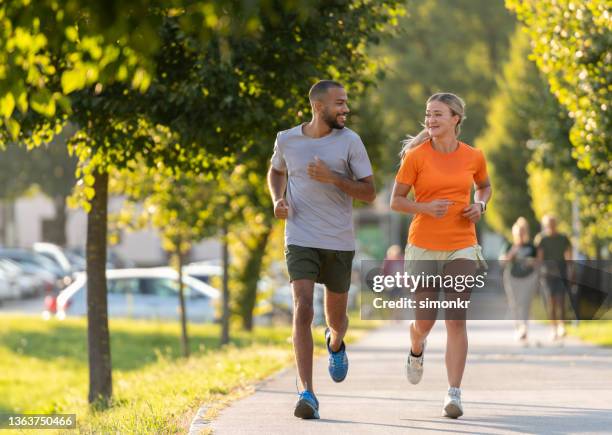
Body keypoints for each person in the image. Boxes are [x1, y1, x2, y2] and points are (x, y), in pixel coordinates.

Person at [267, 80, 376, 419]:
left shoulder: (350, 142)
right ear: (318, 106)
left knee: (337, 319)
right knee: (302, 308)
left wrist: (333, 179)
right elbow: (275, 170)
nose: (346, 108)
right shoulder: (287, 139)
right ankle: (306, 393)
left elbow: (369, 192)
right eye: (339, 103)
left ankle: (336, 343)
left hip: (338, 241)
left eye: (346, 103)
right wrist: (278, 199)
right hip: (299, 236)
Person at [390, 92, 491, 419]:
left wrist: (480, 205)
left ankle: (454, 393)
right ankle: (416, 347)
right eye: (428, 115)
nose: (431, 120)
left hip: (462, 242)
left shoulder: (473, 156)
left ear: (455, 119)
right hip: (424, 245)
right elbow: (396, 200)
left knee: (456, 318)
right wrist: (424, 207)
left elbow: (484, 187)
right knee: (426, 321)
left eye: (438, 114)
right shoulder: (417, 156)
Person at [500, 217, 539, 344]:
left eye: (522, 233)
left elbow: (538, 261)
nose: (520, 235)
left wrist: (532, 263)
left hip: (528, 278)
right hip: (512, 278)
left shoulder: (531, 247)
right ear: (514, 233)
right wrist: (512, 253)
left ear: (526, 233)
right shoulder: (509, 245)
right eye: (518, 233)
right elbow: (502, 262)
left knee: (526, 303)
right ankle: (518, 328)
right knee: (515, 304)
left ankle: (524, 329)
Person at [535, 214, 572, 340]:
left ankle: (562, 326)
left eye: (553, 223)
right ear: (546, 226)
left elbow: (568, 256)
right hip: (547, 274)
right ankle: (553, 328)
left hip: (561, 272)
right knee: (551, 301)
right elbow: (539, 258)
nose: (551, 226)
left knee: (561, 300)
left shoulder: (563, 238)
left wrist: (571, 270)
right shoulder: (542, 239)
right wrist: (538, 273)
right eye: (548, 224)